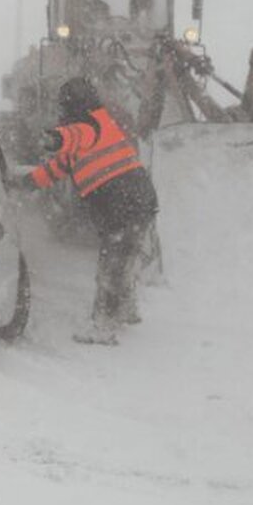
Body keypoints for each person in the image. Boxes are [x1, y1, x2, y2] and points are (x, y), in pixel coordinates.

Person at [27, 76, 159, 345]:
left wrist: (53, 138)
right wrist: (23, 182)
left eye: (63, 106)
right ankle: (126, 309)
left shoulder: (91, 124)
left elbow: (73, 135)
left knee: (111, 266)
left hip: (124, 201)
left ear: (71, 105)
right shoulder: (95, 129)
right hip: (136, 199)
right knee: (123, 260)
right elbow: (56, 169)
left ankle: (103, 327)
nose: (60, 111)